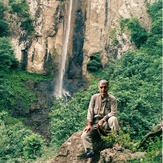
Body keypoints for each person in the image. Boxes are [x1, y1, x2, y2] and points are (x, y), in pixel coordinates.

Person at [81, 80, 119, 162]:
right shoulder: (94, 97)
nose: (103, 89)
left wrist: (103, 119)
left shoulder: (112, 99)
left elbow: (113, 113)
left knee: (114, 119)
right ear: (98, 88)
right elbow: (90, 111)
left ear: (108, 88)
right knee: (84, 136)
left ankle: (116, 142)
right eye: (101, 87)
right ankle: (90, 156)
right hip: (95, 123)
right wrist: (89, 124)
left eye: (105, 87)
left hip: (106, 123)